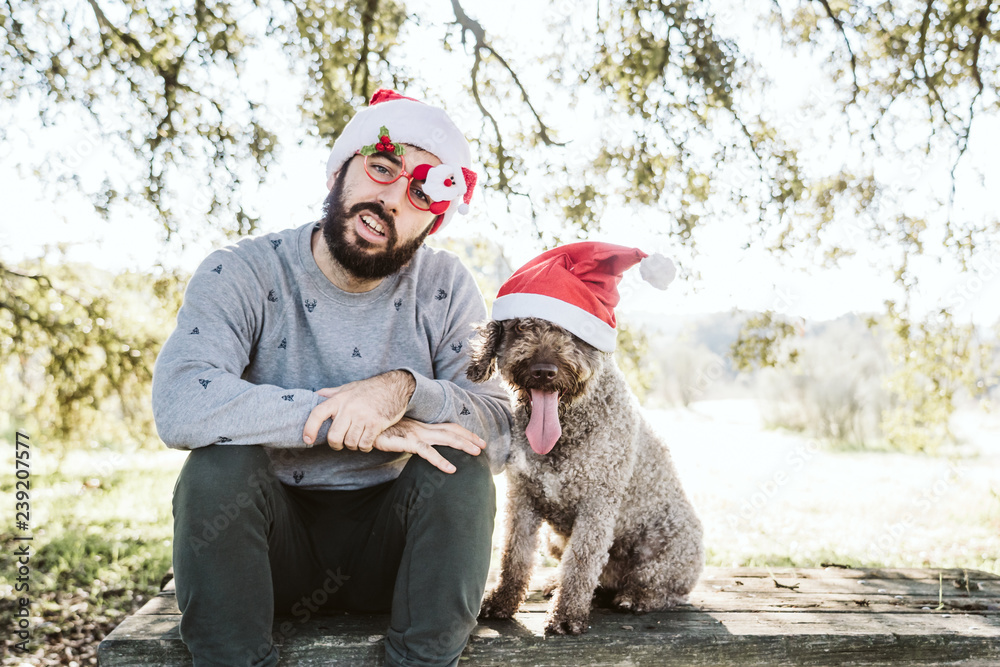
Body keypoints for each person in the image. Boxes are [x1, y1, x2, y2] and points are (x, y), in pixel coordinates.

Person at [151, 88, 512, 667]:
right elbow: (179, 400)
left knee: (462, 464)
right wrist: (342, 420)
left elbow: (499, 424)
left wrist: (403, 392)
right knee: (218, 463)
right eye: (382, 167)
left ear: (432, 222)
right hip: (269, 550)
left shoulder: (444, 284)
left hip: (392, 553)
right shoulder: (242, 270)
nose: (391, 198)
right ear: (339, 171)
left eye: (420, 191)